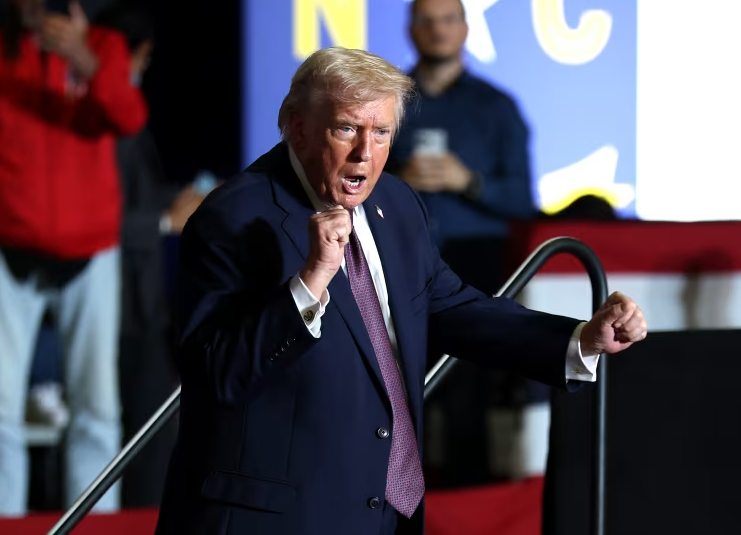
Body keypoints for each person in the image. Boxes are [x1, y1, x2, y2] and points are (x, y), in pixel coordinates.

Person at [155, 47, 647, 535]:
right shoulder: (232, 218)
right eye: (346, 128)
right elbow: (215, 373)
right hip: (272, 519)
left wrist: (580, 339)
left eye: (382, 132)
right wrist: (308, 284)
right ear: (295, 124)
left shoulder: (397, 202)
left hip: (380, 511)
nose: (364, 154)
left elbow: (449, 305)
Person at [0, 0, 147, 516]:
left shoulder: (102, 47)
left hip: (91, 248)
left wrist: (82, 58)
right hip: (6, 247)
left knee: (98, 408)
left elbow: (128, 118)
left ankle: (95, 528)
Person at [387, 0, 539, 487]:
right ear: (411, 30)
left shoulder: (498, 108)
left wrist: (467, 181)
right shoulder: (387, 101)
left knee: (466, 391)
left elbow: (523, 201)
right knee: (394, 389)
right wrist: (391, 180)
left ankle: (466, 506)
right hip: (396, 260)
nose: (439, 29)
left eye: (449, 19)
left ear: (466, 27)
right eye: (428, 20)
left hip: (476, 265)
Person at [97, 4, 205, 507]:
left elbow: (131, 193)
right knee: (108, 423)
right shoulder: (94, 115)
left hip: (141, 300)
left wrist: (179, 201)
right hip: (102, 296)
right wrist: (166, 220)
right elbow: (88, 215)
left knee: (152, 427)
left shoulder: (128, 117)